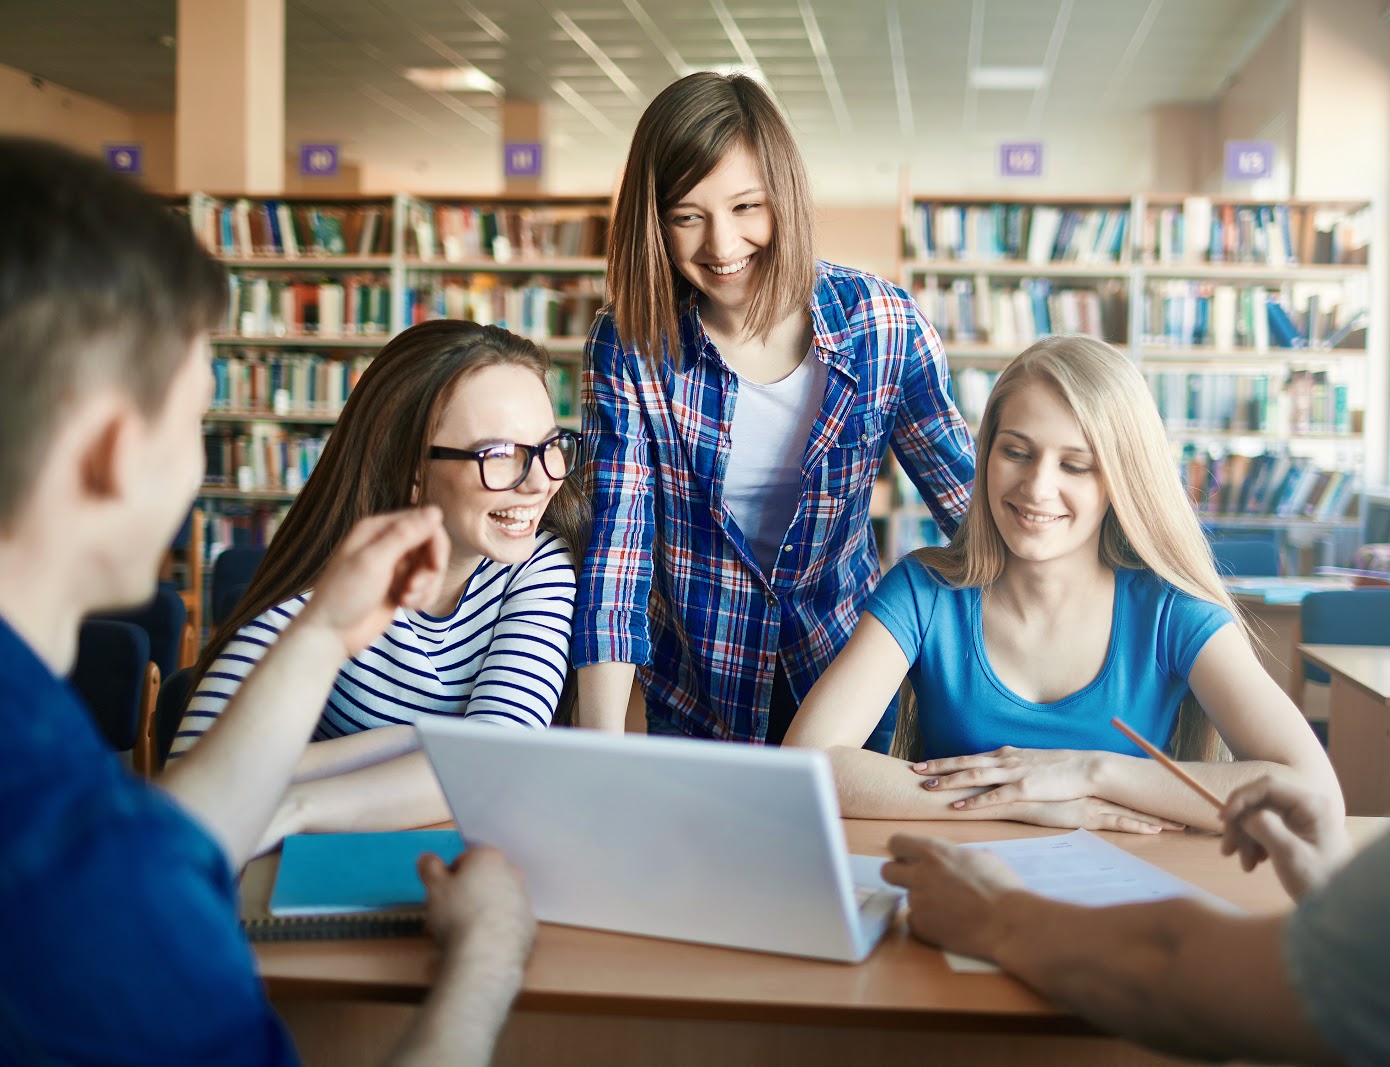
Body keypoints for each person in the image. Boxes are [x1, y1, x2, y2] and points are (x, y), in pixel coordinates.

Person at [881, 292, 1390, 1064]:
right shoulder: (928, 589)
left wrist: (1005, 900)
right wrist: (1336, 900)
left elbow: (1180, 972)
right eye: (1015, 450)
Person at [0, 137, 535, 1064]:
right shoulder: (91, 896)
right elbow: (122, 877)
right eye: (198, 419)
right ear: (114, 450)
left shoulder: (39, 741)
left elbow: (163, 838)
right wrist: (488, 955)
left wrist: (324, 633)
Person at [785, 335, 1338, 833]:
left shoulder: (1171, 611)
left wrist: (1087, 772)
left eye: (1075, 466)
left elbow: (1311, 796)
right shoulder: (924, 591)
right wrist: (1019, 798)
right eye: (1017, 452)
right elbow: (808, 764)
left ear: (1122, 479)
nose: (1037, 488)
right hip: (961, 892)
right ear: (987, 453)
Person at [575, 71, 975, 750]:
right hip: (696, 695)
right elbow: (618, 552)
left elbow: (971, 508)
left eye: (746, 207)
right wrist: (598, 752)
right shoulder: (631, 343)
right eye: (686, 216)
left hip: (843, 683)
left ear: (784, 197)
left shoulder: (882, 324)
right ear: (655, 222)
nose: (722, 246)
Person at [171, 320, 587, 850]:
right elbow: (192, 781)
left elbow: (491, 764)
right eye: (499, 454)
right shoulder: (337, 581)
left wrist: (290, 803)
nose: (541, 480)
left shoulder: (538, 563)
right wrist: (428, 743)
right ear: (411, 467)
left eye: (549, 445)